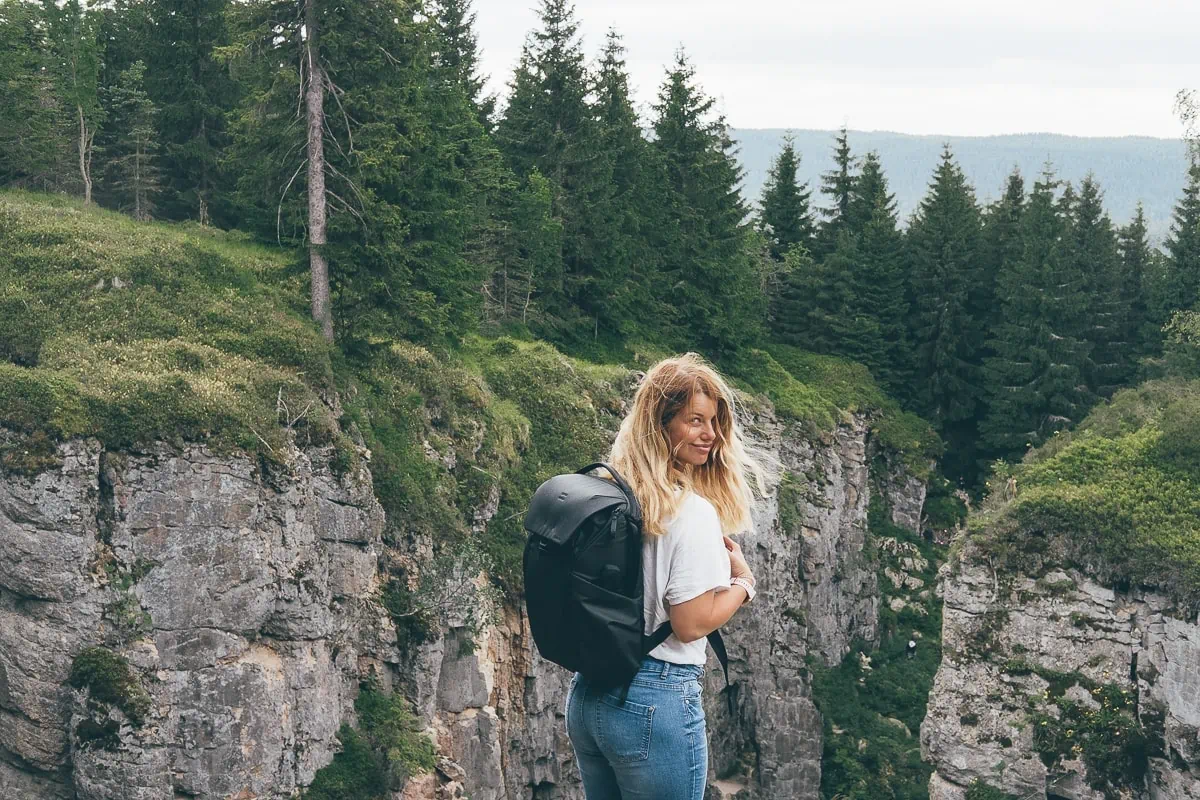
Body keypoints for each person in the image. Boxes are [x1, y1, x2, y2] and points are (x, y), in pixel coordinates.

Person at [564, 353, 770, 799]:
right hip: (654, 698)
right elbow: (690, 622)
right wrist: (744, 585)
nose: (711, 435)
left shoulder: (612, 492)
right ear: (661, 424)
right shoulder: (690, 511)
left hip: (590, 695)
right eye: (695, 420)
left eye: (713, 422)